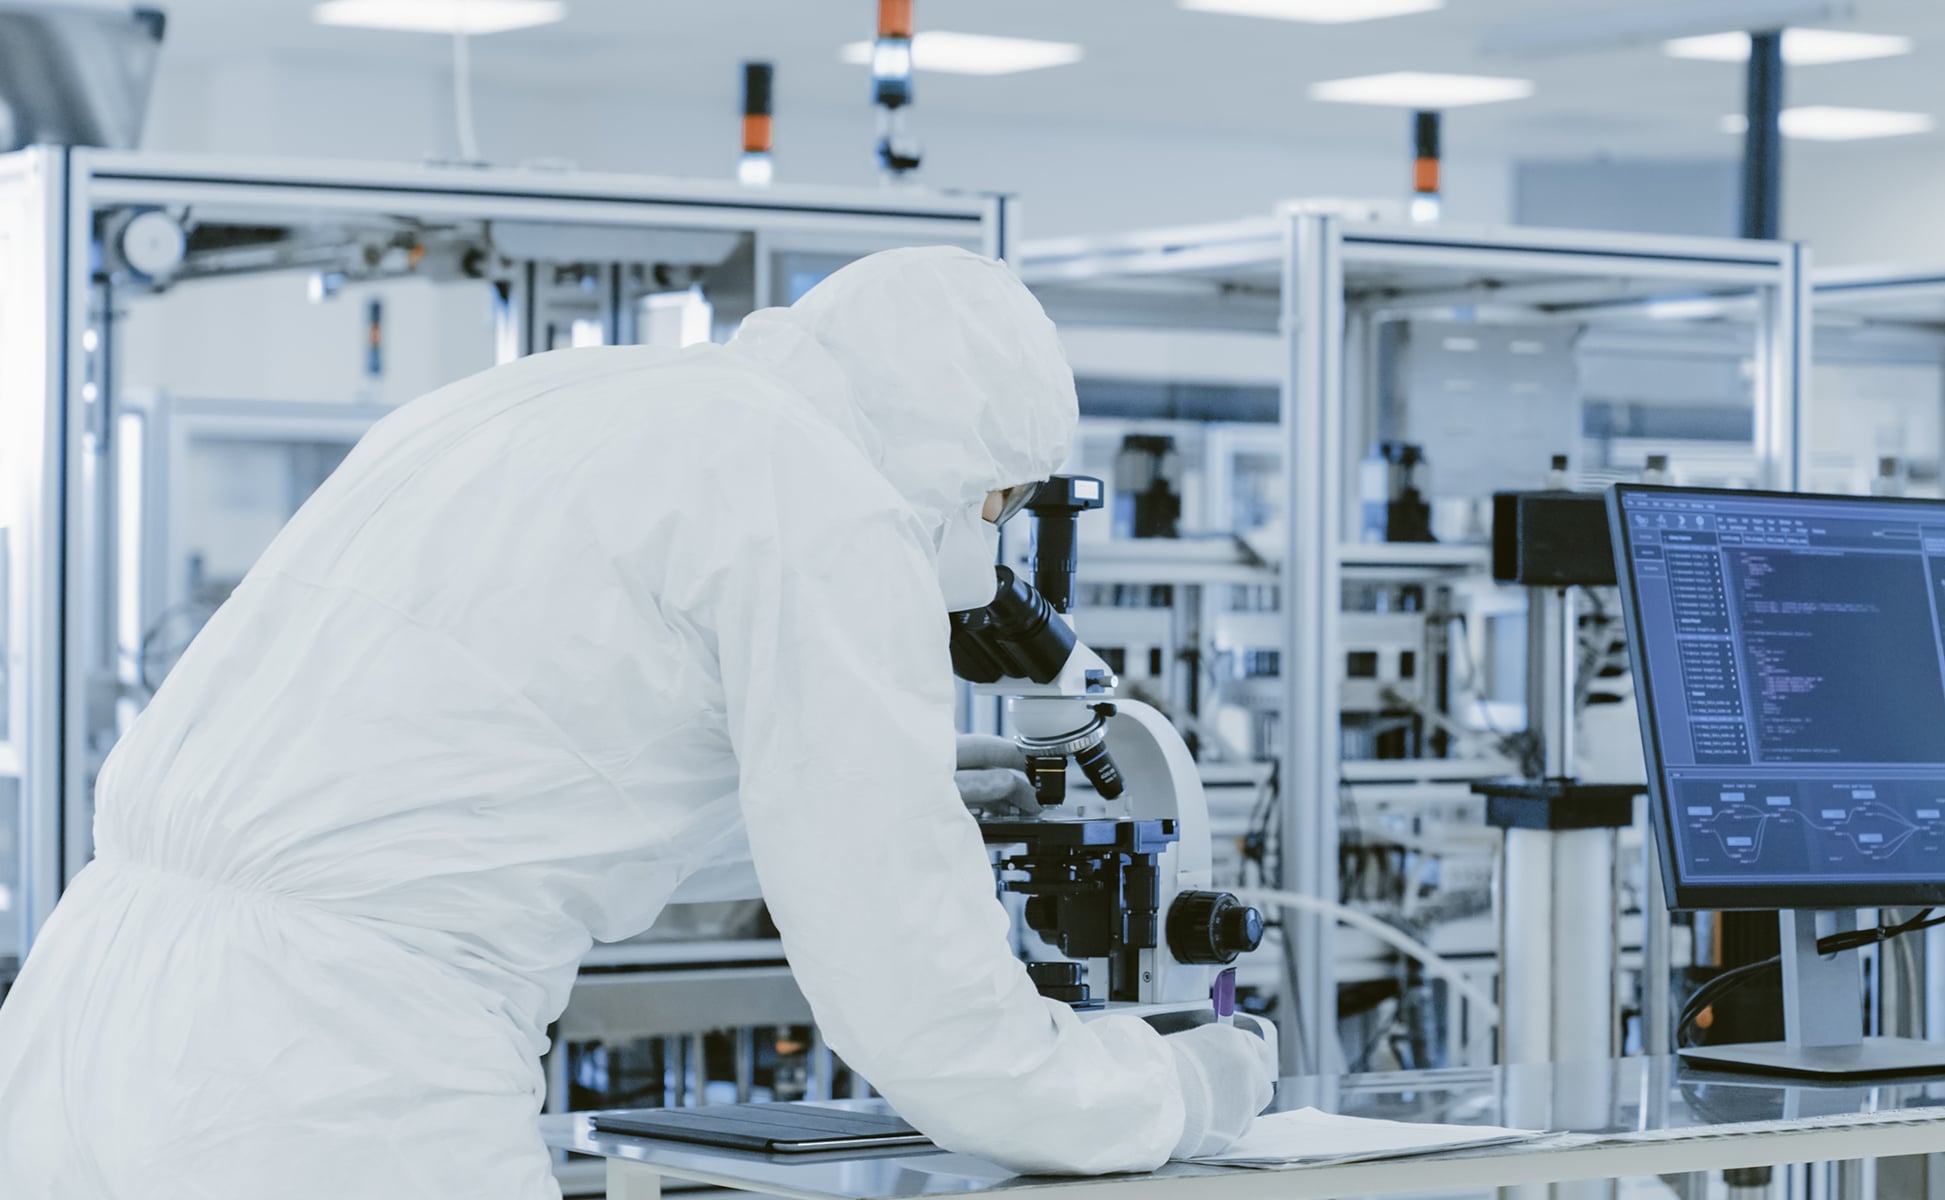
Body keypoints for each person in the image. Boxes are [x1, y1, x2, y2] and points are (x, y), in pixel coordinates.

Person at [0, 246, 1277, 1197]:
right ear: (960, 468)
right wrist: (1169, 1089)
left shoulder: (554, 399)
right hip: (327, 1076)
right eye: (998, 506)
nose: (985, 541)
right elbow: (928, 1020)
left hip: (82, 1019)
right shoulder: (828, 500)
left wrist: (911, 779)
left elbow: (536, 784)